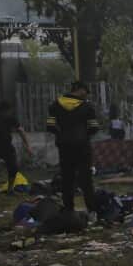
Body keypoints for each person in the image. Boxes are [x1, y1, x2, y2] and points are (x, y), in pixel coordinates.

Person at [47, 81, 100, 216]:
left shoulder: (55, 105)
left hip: (64, 147)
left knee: (67, 178)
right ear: (80, 90)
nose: (86, 95)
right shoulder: (86, 107)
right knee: (86, 179)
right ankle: (92, 210)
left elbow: (50, 126)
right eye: (85, 92)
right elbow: (94, 127)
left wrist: (62, 135)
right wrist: (83, 136)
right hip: (82, 147)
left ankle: (68, 209)